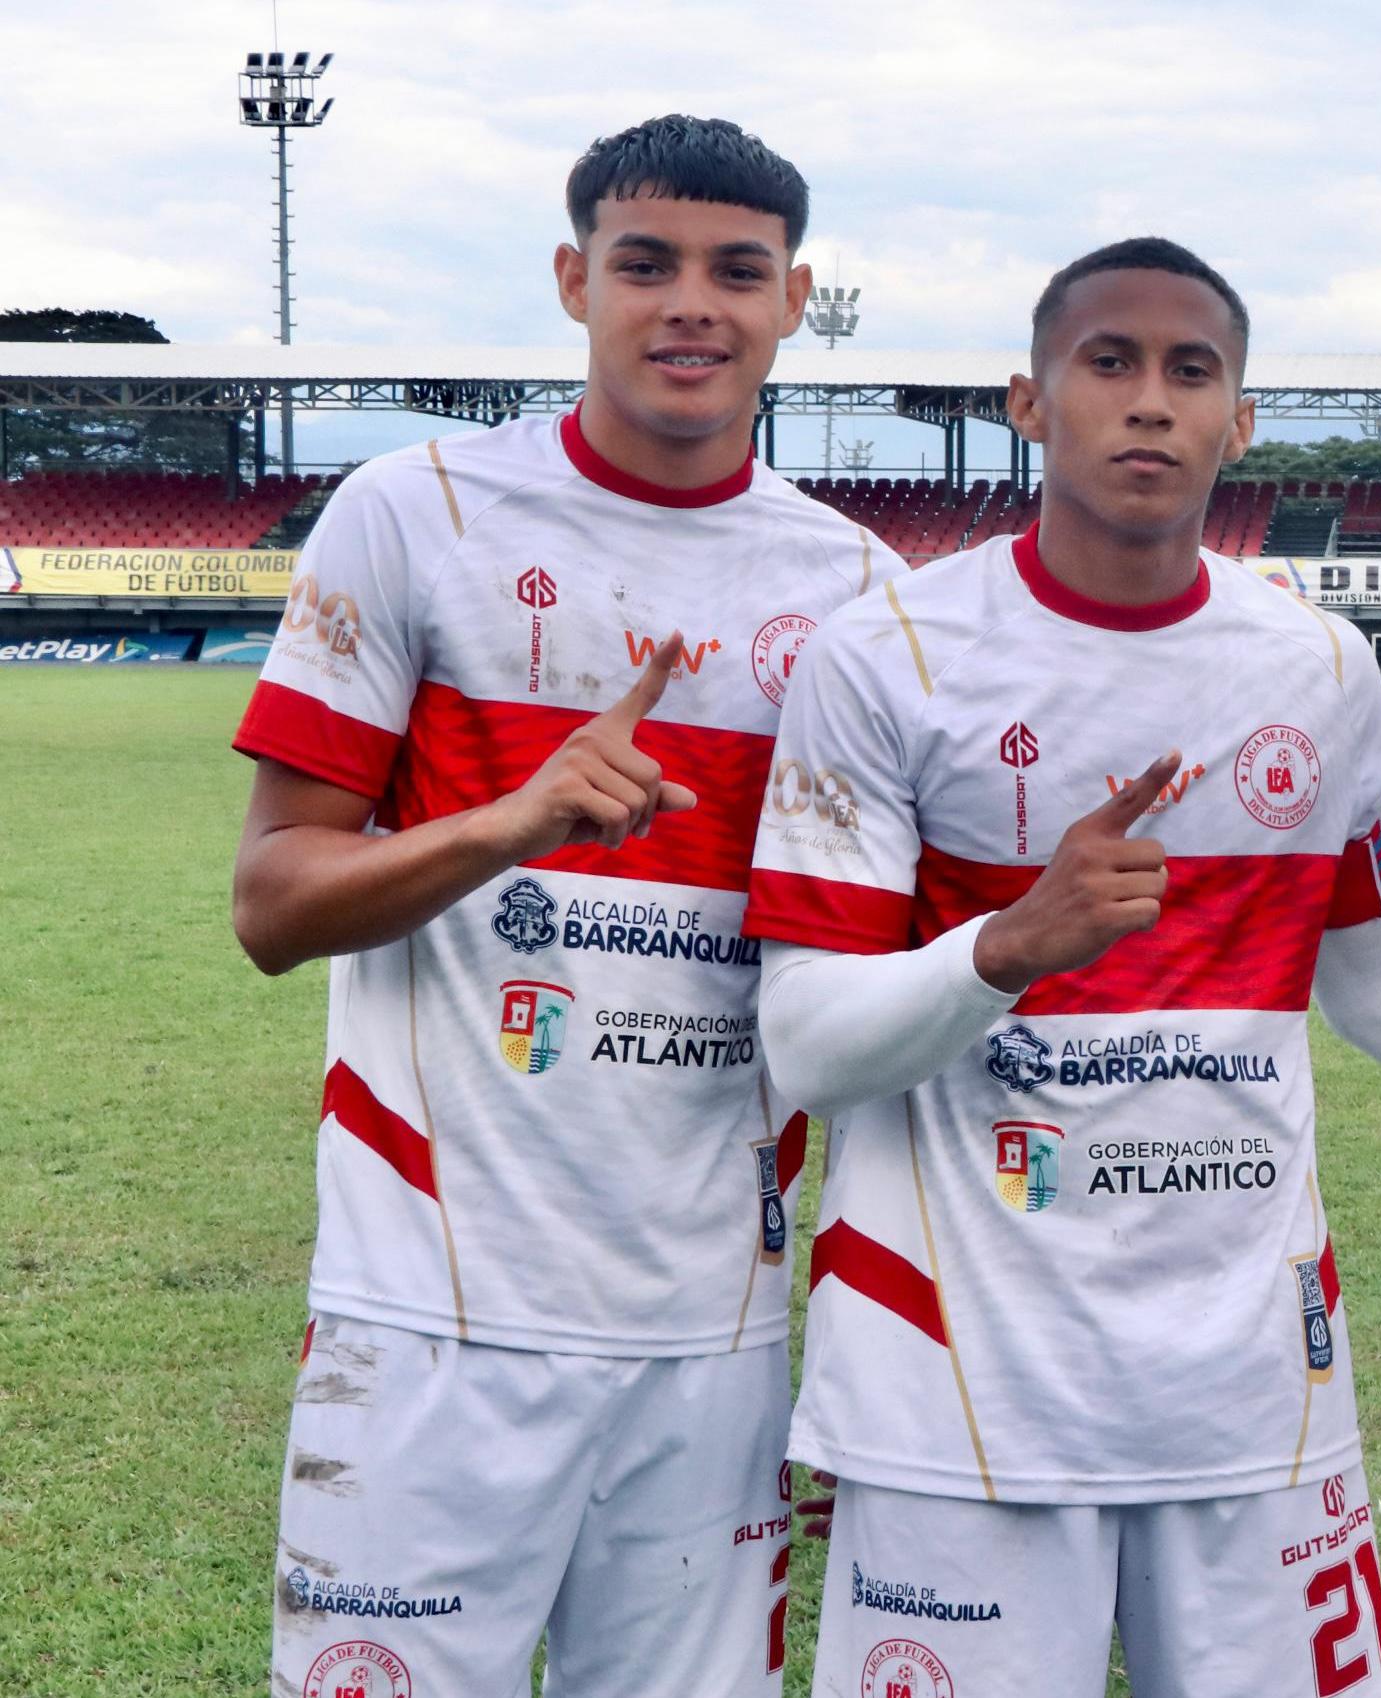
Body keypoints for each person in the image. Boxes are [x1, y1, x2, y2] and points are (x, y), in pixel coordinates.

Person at [743, 237, 1381, 1698]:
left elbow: (1377, 982)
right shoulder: (887, 653)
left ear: (1241, 422)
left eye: (1189, 370)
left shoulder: (1321, 667)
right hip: (954, 1384)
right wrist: (1008, 945)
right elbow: (809, 1042)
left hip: (1253, 1390)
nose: (1149, 401)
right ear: (1029, 401)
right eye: (1109, 364)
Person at [230, 115, 904, 1697]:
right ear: (570, 278)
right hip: (433, 1307)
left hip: (713, 1331)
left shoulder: (861, 592)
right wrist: (510, 821)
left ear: (793, 298)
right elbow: (272, 900)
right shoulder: (417, 515)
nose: (693, 304)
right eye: (645, 263)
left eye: (738, 271)